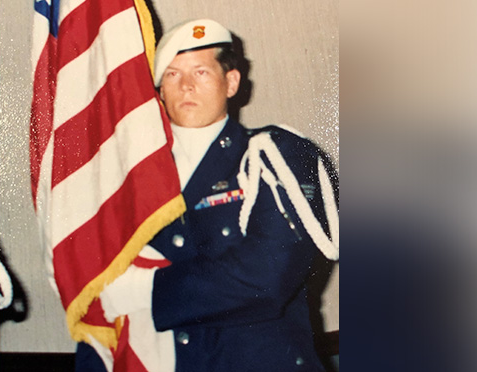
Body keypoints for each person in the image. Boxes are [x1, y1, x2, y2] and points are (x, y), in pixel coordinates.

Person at [77, 19, 338, 372]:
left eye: (200, 72)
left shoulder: (278, 155)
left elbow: (267, 278)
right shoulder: (121, 180)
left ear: (231, 82)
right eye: (171, 74)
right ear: (158, 92)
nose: (185, 86)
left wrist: (145, 290)